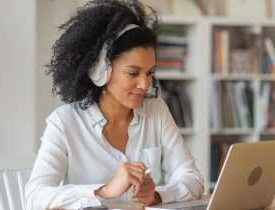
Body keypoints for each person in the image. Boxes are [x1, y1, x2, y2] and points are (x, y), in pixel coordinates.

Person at [25, 0, 204, 209]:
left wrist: (156, 195)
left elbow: (192, 179)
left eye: (149, 73)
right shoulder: (64, 122)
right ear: (101, 70)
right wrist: (105, 191)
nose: (145, 84)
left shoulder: (156, 111)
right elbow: (35, 197)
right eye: (133, 73)